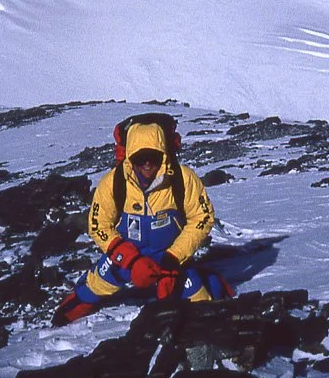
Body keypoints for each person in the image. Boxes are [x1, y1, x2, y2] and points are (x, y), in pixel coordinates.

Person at [52, 116, 222, 326]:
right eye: (140, 158)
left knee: (203, 309)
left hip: (172, 259)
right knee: (89, 292)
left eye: (153, 156)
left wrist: (173, 259)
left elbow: (202, 218)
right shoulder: (113, 182)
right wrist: (131, 261)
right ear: (130, 156)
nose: (147, 163)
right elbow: (98, 226)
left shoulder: (182, 179)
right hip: (126, 257)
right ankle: (66, 314)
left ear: (163, 153)